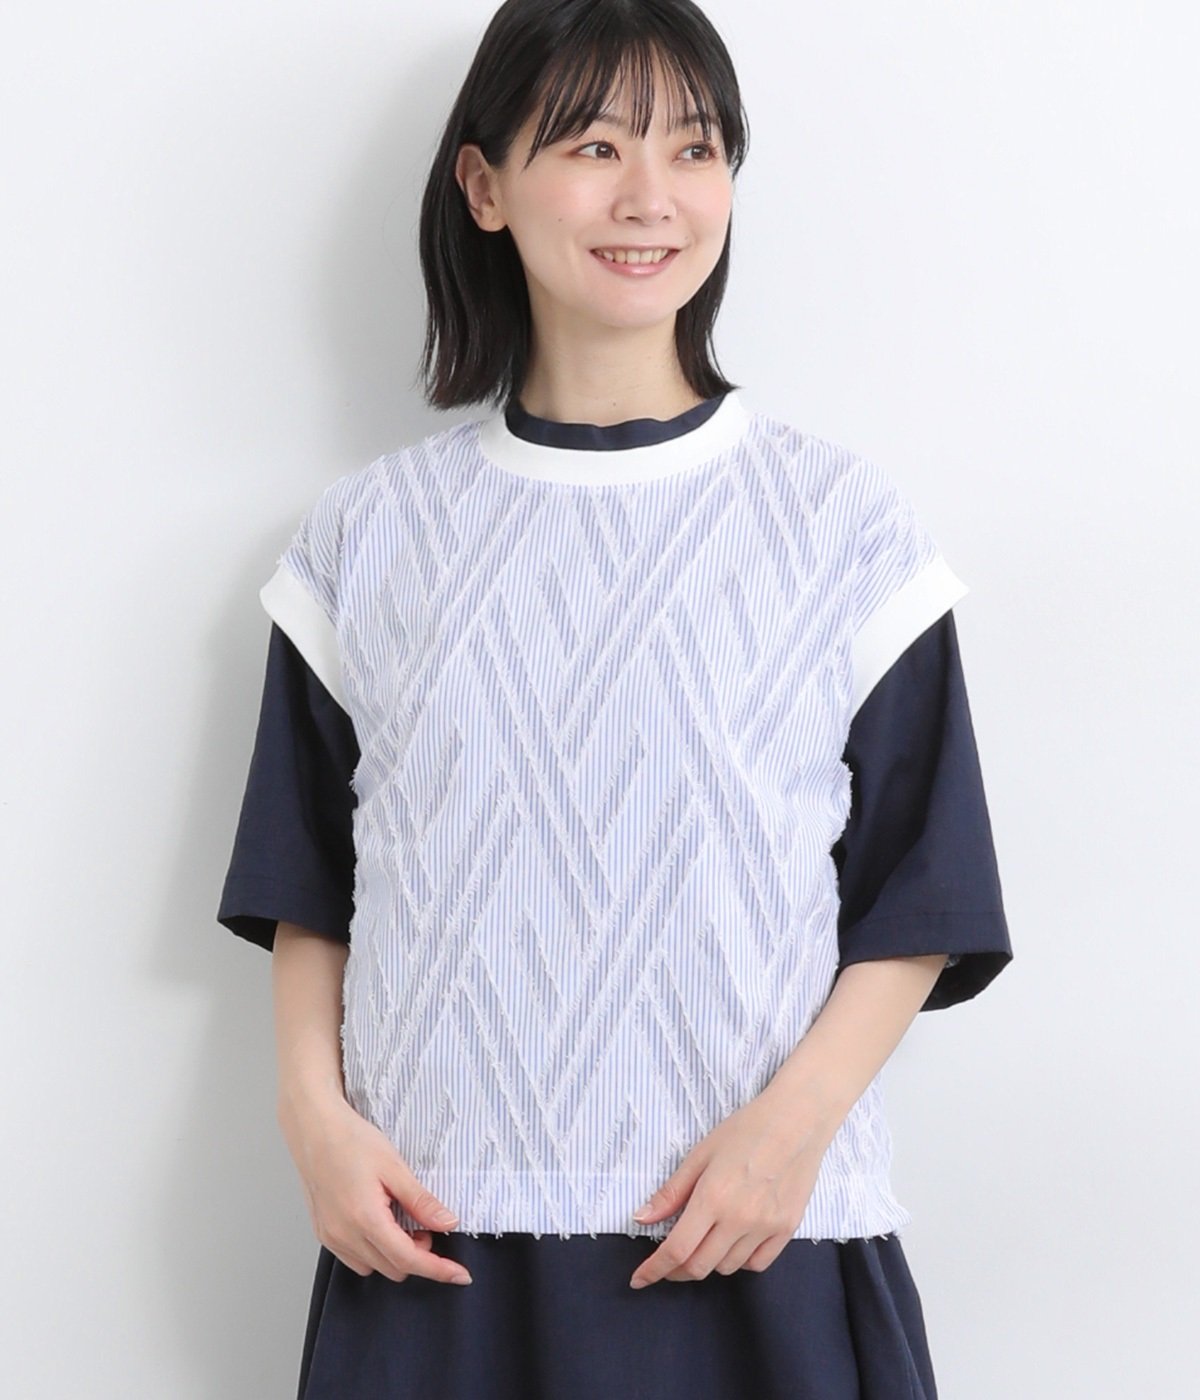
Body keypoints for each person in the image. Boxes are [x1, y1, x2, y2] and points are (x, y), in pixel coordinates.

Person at [217, 1, 1013, 1395]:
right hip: (437, 1251)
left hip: (756, 1245)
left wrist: (790, 1136)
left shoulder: (842, 529)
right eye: (594, 146)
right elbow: (309, 886)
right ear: (483, 186)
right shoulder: (368, 540)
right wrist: (313, 1120)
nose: (653, 196)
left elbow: (922, 894)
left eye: (695, 149)